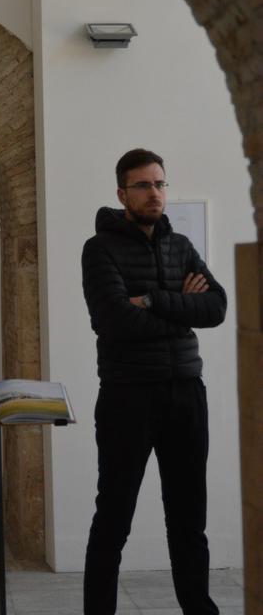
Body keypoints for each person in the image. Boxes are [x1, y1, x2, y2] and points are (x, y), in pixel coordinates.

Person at [81, 148, 227, 615]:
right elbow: (112, 320)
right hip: (128, 396)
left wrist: (152, 300)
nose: (154, 193)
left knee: (189, 520)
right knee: (114, 518)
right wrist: (180, 305)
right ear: (122, 193)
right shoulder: (99, 249)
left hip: (186, 393)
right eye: (143, 185)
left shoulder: (180, 245)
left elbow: (216, 307)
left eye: (160, 184)